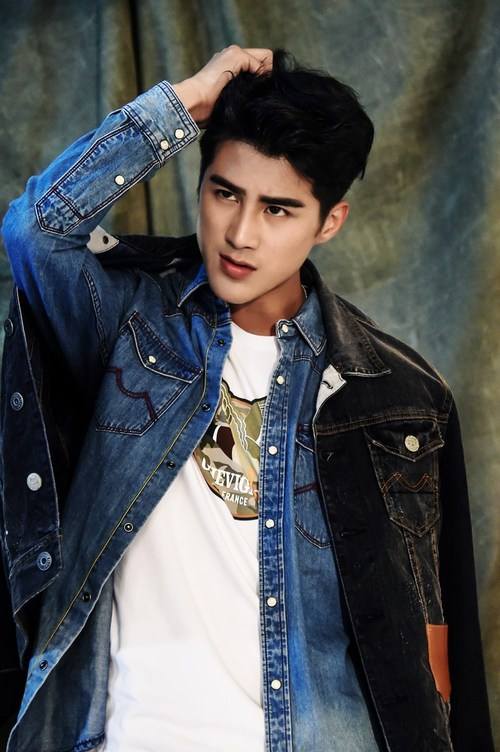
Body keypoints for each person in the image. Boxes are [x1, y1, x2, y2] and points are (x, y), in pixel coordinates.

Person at [0, 45, 493, 752]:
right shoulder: (129, 327)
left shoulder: (397, 395)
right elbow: (35, 230)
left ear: (329, 222)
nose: (240, 234)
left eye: (278, 209)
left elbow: (430, 639)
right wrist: (184, 104)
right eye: (225, 193)